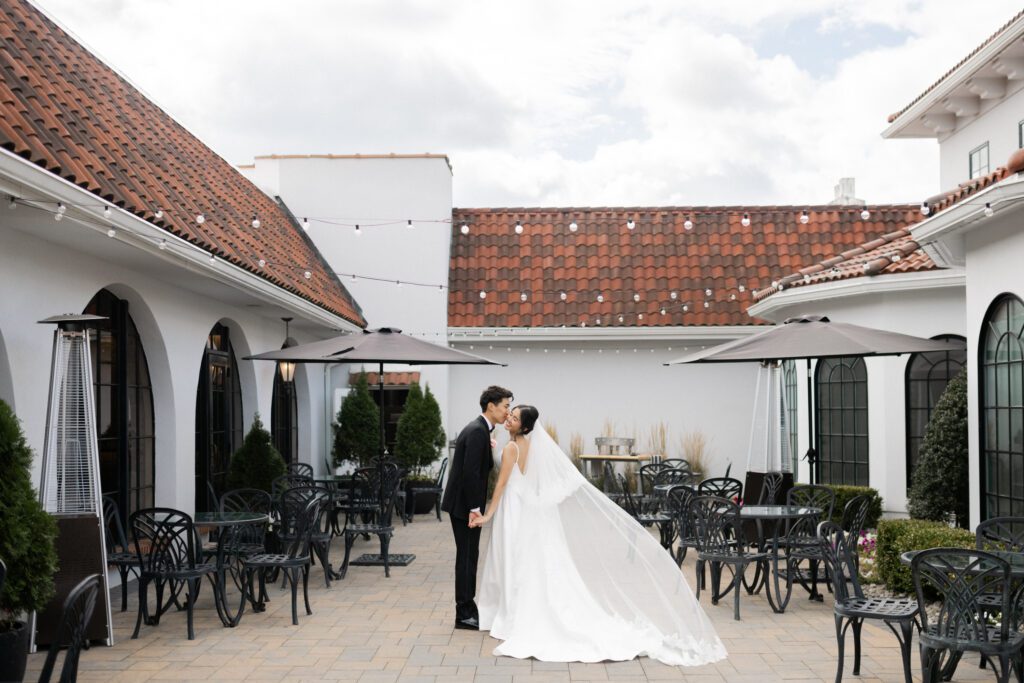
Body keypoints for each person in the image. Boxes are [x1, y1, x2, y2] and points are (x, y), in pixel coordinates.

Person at [470, 405, 726, 666]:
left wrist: (488, 514)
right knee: (524, 558)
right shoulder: (527, 445)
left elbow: (501, 484)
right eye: (509, 414)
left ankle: (510, 612)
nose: (509, 419)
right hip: (524, 504)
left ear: (524, 427)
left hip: (514, 505)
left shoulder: (511, 448)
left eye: (514, 418)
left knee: (512, 557)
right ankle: (511, 609)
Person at [440, 385, 513, 631]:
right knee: (467, 557)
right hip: (464, 506)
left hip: (463, 504)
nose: (507, 411)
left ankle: (467, 609)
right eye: (505, 406)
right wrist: (474, 508)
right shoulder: (477, 431)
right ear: (491, 406)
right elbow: (470, 474)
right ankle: (464, 613)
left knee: (469, 556)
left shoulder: (480, 430)